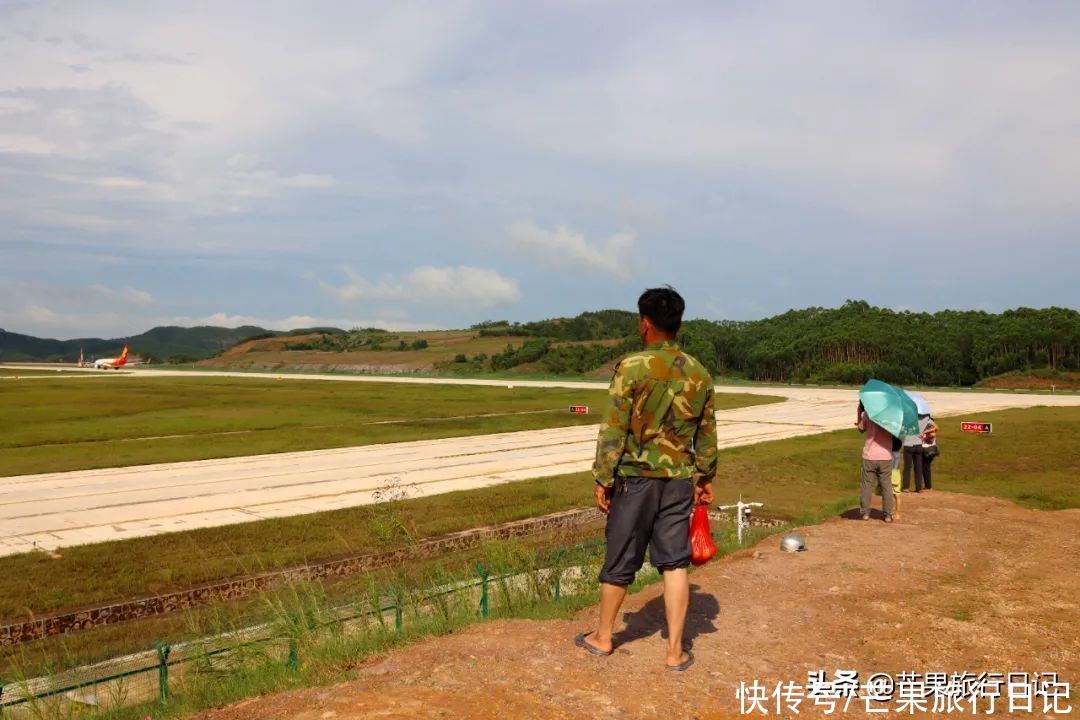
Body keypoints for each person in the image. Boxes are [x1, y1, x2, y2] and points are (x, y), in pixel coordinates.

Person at [575, 286, 717, 672]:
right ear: (678, 323)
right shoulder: (699, 372)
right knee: (674, 563)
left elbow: (614, 428)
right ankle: (674, 651)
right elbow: (706, 431)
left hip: (635, 479)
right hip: (678, 480)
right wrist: (705, 475)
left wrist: (603, 477)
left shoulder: (632, 368)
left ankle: (604, 637)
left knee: (621, 557)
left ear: (645, 323)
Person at [856, 401, 895, 522]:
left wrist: (859, 413)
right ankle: (888, 515)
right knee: (886, 486)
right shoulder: (891, 415)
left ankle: (865, 513)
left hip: (869, 455)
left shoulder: (868, 414)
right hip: (886, 455)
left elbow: (861, 429)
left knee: (866, 486)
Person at [920, 415, 940, 490]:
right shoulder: (929, 428)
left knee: (924, 467)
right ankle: (927, 486)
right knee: (925, 467)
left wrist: (925, 432)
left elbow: (936, 428)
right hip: (928, 449)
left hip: (927, 450)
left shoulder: (930, 429)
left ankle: (927, 486)